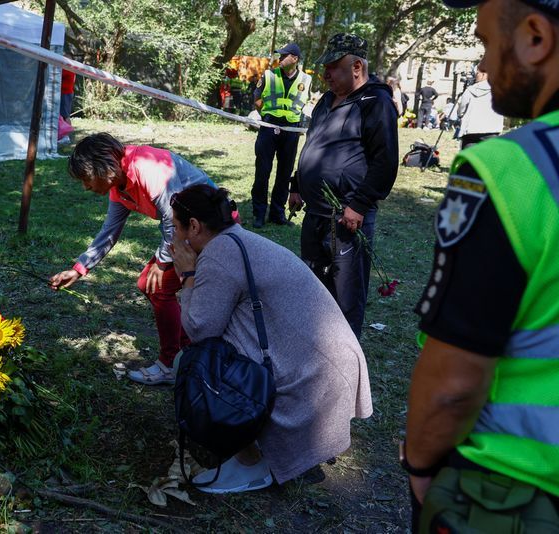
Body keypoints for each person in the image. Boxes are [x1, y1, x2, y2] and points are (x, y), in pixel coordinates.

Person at [404, 0, 559, 531]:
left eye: (489, 43)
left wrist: (419, 464)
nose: (486, 65)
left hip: (516, 488)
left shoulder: (507, 169)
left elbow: (454, 381)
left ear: (535, 37)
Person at [169, 184, 373, 494]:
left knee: (191, 363)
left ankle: (251, 462)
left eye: (175, 227)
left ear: (194, 226)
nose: (173, 236)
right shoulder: (237, 239)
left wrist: (187, 276)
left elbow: (199, 329)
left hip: (315, 381)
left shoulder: (218, 254)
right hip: (335, 368)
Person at [49, 133, 216, 385]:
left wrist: (162, 262)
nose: (85, 187)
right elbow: (109, 231)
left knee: (157, 286)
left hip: (210, 228)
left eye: (86, 178)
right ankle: (188, 353)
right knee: (148, 284)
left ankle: (172, 363)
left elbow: (173, 217)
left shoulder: (146, 167)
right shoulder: (119, 185)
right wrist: (79, 268)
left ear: (103, 166)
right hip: (188, 231)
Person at [290, 33, 399, 339]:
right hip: (316, 213)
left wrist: (359, 204)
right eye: (325, 67)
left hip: (346, 218)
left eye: (333, 67)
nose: (325, 74)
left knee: (345, 296)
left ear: (357, 67)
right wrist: (297, 184)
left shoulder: (376, 102)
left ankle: (345, 355)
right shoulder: (326, 101)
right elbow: (312, 144)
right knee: (313, 285)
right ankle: (316, 345)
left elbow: (385, 162)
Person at [251, 42, 311, 228]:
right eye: (280, 55)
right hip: (269, 127)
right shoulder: (269, 75)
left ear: (295, 59)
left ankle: (277, 213)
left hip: (291, 130)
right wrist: (267, 116)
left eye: (284, 56)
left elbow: (305, 102)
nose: (280, 58)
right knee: (262, 172)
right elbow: (257, 99)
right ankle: (259, 213)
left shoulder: (306, 79)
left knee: (284, 173)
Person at [457, 70, 505, 149]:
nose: (475, 75)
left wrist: (461, 115)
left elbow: (461, 109)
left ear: (484, 74)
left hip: (471, 131)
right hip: (492, 131)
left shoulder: (470, 90)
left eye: (477, 73)